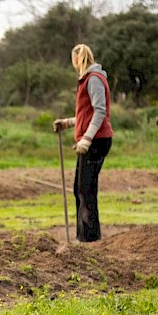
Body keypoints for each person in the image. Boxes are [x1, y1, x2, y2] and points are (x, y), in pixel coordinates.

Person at [53, 43, 113, 242]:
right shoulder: (86, 79)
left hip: (97, 141)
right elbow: (87, 114)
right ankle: (85, 236)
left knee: (85, 189)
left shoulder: (94, 79)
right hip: (92, 139)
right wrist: (68, 123)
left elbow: (100, 111)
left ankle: (90, 240)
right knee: (79, 189)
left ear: (76, 59)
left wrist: (86, 139)